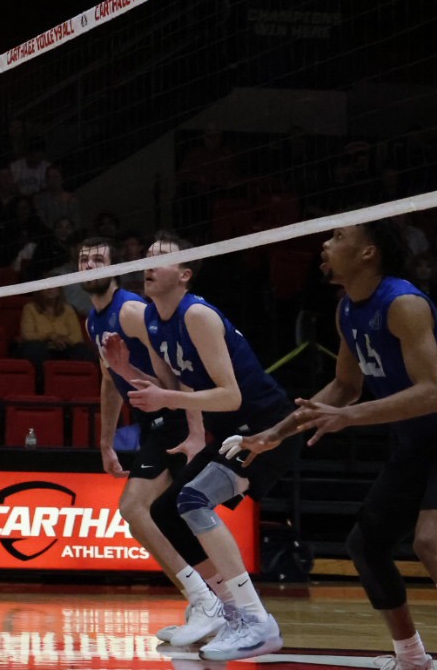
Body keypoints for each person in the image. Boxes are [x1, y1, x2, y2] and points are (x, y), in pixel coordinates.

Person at [238, 221, 437, 670]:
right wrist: (277, 432)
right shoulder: (347, 308)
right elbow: (345, 386)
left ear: (368, 253)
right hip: (419, 440)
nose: (325, 245)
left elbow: (431, 394)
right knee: (366, 544)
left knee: (431, 542)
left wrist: (349, 418)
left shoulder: (402, 302)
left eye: (338, 237)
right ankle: (411, 657)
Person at [101, 232, 302, 659]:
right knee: (165, 513)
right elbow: (168, 388)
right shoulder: (155, 319)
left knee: (193, 500)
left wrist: (176, 408)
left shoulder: (197, 315)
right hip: (233, 433)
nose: (148, 265)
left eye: (160, 259)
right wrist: (124, 368)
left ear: (185, 274)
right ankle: (226, 612)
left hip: (266, 430)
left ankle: (257, 621)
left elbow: (230, 395)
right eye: (147, 256)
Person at [78, 238, 222, 645]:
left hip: (175, 418)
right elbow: (111, 380)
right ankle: (215, 603)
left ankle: (207, 601)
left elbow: (181, 369)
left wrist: (195, 431)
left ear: (115, 267)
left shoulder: (132, 311)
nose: (89, 265)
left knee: (136, 509)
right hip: (151, 423)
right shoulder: (93, 321)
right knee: (175, 520)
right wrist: (106, 443)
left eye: (98, 259)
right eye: (84, 259)